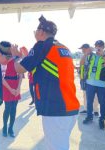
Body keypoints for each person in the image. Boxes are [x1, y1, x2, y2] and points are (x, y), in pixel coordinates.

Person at [11, 15, 80, 150]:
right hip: (70, 107)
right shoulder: (63, 47)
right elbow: (44, 66)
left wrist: (15, 57)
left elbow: (19, 69)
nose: (35, 33)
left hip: (56, 109)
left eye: (36, 31)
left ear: (41, 32)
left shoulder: (41, 46)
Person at [82, 40, 105, 129]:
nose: (98, 47)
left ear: (103, 47)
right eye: (97, 45)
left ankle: (102, 120)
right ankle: (89, 117)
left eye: (100, 46)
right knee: (89, 102)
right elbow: (82, 63)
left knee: (103, 103)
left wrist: (103, 55)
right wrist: (86, 52)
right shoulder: (90, 56)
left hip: (101, 84)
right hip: (90, 83)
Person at [2, 56, 23, 138]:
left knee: (14, 108)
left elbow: (21, 75)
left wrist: (18, 88)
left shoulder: (18, 59)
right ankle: (4, 127)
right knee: (7, 108)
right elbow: (2, 78)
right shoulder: (4, 60)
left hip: (16, 85)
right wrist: (10, 89)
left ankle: (10, 128)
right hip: (6, 86)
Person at [78, 43, 99, 115]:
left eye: (84, 49)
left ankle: (96, 110)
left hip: (94, 79)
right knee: (85, 95)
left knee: (95, 95)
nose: (82, 50)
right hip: (84, 78)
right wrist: (85, 54)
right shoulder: (84, 56)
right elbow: (81, 64)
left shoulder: (95, 55)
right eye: (82, 49)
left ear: (88, 48)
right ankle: (86, 109)